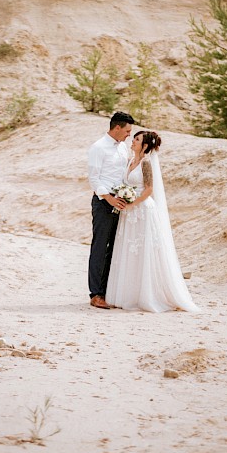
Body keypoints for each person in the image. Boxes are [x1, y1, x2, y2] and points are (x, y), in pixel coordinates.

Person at [105, 130, 200, 313]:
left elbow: (149, 189)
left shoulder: (146, 163)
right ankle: (127, 295)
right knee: (129, 252)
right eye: (134, 138)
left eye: (137, 139)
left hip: (142, 211)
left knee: (143, 252)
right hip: (129, 213)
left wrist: (132, 203)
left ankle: (148, 295)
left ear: (145, 146)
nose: (133, 141)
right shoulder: (130, 161)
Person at [87, 112, 134, 309]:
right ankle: (95, 294)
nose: (128, 135)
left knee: (114, 248)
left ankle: (108, 290)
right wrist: (110, 199)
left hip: (120, 202)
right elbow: (94, 178)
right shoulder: (98, 147)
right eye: (127, 131)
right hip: (104, 202)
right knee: (100, 246)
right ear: (117, 128)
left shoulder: (123, 147)